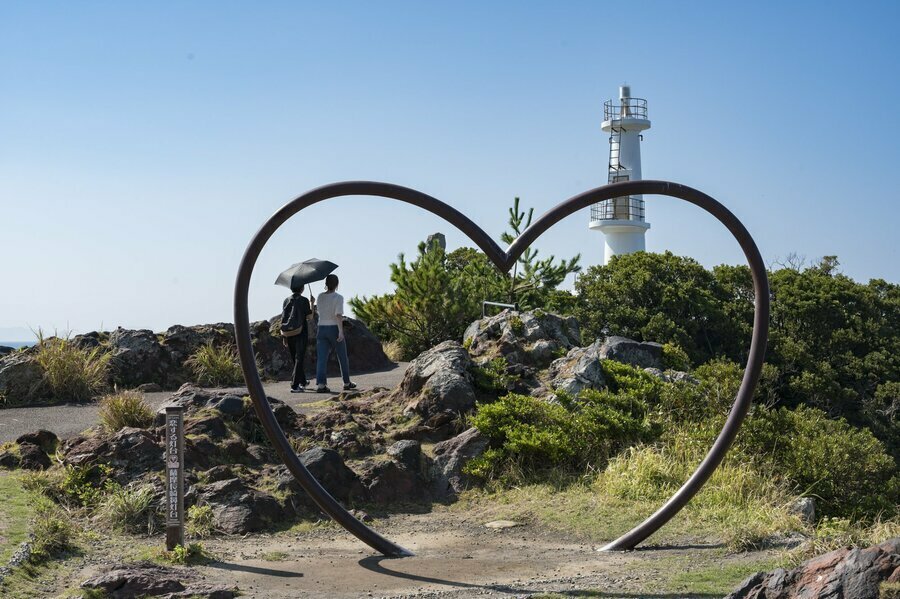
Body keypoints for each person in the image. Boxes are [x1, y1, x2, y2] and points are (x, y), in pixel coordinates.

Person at [315, 274, 356, 393]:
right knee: (342, 356)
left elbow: (318, 311)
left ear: (326, 284)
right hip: (333, 328)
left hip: (321, 328)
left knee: (322, 358)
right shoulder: (338, 297)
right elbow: (338, 315)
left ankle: (321, 385)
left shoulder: (320, 297)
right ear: (337, 284)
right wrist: (341, 331)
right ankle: (346, 382)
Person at [280, 287, 313, 392]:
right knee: (299, 358)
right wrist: (312, 303)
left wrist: (284, 336)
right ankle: (294, 386)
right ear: (302, 288)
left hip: (288, 333)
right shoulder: (304, 300)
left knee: (295, 359)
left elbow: (284, 318)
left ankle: (302, 381)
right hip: (300, 332)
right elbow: (310, 317)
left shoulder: (286, 300)